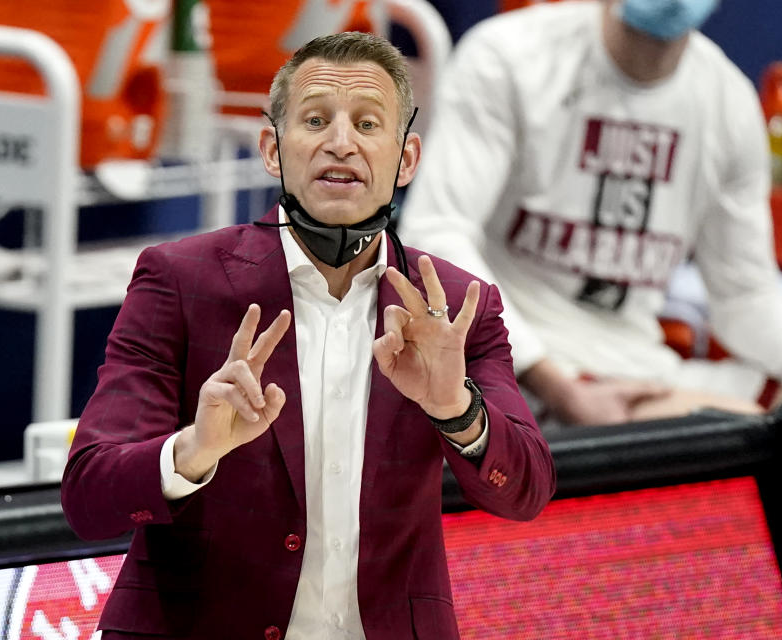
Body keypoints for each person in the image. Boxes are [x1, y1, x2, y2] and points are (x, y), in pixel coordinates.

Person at [61, 31, 555, 640]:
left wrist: (456, 410)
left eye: (369, 124)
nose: (341, 144)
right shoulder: (180, 281)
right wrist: (194, 451)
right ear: (272, 149)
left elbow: (526, 492)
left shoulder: (454, 307)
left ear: (407, 159)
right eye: (315, 119)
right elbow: (88, 498)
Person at [398, 0, 782, 427]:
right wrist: (552, 382)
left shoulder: (728, 102)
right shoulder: (509, 57)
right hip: (510, 368)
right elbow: (436, 234)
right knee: (755, 429)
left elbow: (745, 299)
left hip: (640, 370)